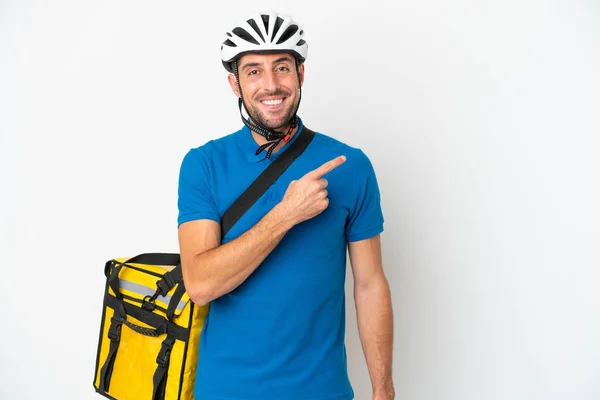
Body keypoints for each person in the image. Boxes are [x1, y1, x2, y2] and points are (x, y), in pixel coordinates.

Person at [177, 12, 395, 400]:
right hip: (225, 391)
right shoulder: (204, 164)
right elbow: (200, 283)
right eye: (254, 72)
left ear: (301, 75)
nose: (271, 84)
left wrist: (383, 387)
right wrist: (285, 214)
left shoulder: (350, 165)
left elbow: (369, 283)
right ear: (235, 84)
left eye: (282, 68)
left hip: (321, 391)